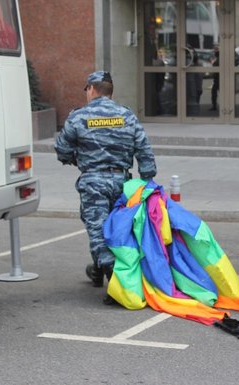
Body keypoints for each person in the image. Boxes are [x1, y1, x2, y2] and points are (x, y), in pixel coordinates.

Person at [54, 71, 157, 293]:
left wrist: (79, 160)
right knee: (118, 229)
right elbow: (144, 148)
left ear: (91, 89)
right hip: (122, 181)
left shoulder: (79, 116)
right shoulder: (126, 115)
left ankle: (116, 285)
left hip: (93, 182)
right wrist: (147, 180)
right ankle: (98, 271)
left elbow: (62, 149)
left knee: (98, 230)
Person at [210, 44, 219, 111]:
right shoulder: (217, 56)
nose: (214, 51)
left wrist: (213, 63)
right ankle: (214, 106)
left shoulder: (220, 56)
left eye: (216, 49)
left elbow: (216, 65)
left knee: (214, 92)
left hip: (220, 78)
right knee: (214, 92)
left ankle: (214, 106)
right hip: (217, 78)